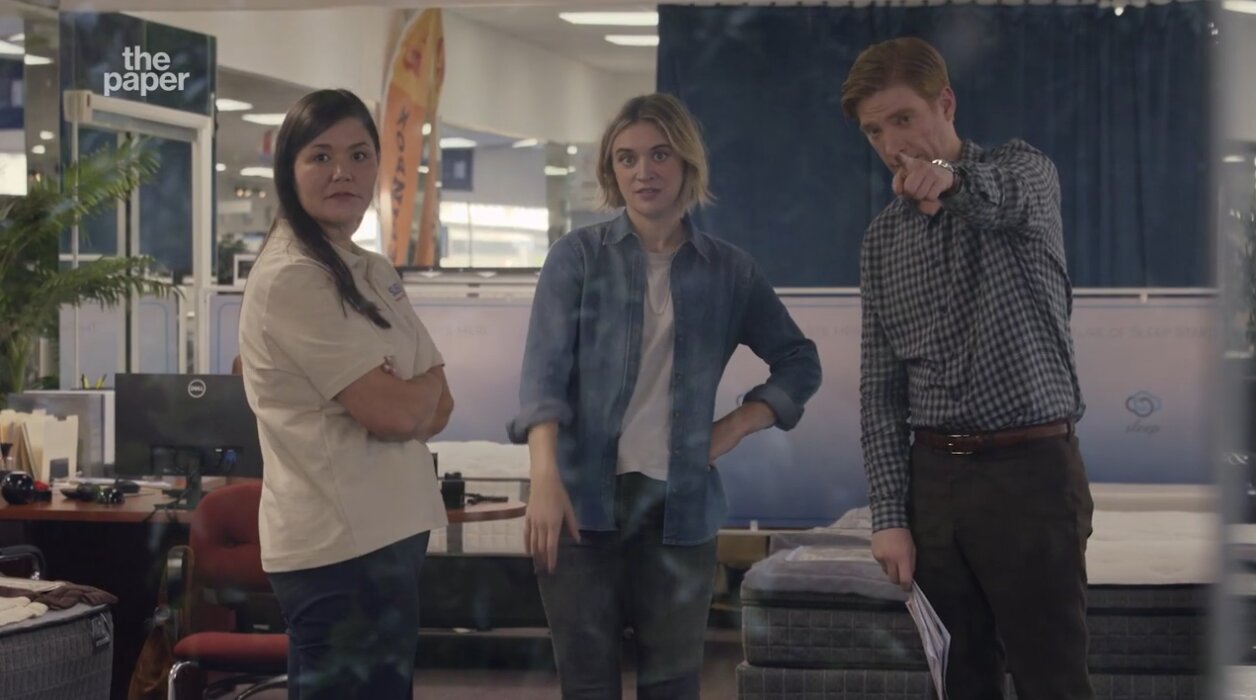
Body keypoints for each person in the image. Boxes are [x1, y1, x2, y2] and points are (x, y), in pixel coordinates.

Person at [508, 93, 822, 699]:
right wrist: (543, 478)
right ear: (611, 170)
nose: (643, 172)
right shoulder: (575, 258)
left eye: (659, 155)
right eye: (626, 158)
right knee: (587, 685)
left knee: (673, 685)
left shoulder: (728, 271)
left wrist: (735, 425)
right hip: (578, 505)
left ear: (686, 163)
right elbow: (542, 378)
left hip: (680, 511)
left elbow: (799, 361)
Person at [844, 37, 1094, 699]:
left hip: (1031, 474)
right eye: (874, 131)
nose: (892, 143)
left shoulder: (1024, 172)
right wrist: (888, 516)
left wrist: (949, 180)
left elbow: (1003, 198)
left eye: (904, 119)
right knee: (957, 681)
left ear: (946, 104)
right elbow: (880, 391)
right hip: (934, 483)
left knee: (1054, 681)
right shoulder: (882, 240)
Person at [238, 88, 453, 700]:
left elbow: (441, 401)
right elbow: (396, 412)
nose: (343, 172)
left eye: (359, 155)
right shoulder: (293, 278)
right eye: (321, 156)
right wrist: (405, 390)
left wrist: (407, 390)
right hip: (339, 550)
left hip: (388, 538)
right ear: (289, 169)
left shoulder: (371, 269)